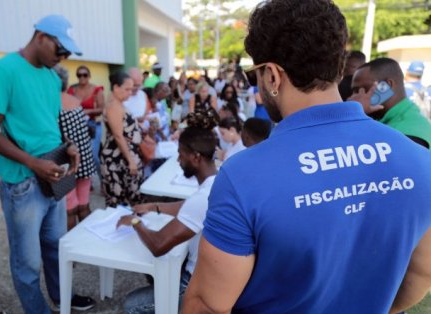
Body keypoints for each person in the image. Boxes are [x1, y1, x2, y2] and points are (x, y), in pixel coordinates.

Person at [183, 1, 431, 313]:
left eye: (254, 76)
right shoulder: (420, 160)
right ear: (337, 67)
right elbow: (421, 274)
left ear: (272, 76)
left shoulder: (244, 176)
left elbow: (206, 305)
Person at [0, 14, 95, 313]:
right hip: (22, 182)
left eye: (68, 52)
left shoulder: (51, 77)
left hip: (53, 174)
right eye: (60, 49)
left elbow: (47, 125)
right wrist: (33, 162)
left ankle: (61, 297)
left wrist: (68, 147)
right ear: (41, 36)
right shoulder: (3, 70)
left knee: (56, 247)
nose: (64, 57)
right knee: (27, 261)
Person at [118, 108, 218, 314]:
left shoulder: (202, 198)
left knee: (130, 306)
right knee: (155, 269)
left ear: (196, 157)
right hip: (211, 276)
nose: (178, 161)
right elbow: (188, 207)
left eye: (181, 155)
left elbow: (158, 245)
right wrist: (153, 207)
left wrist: (136, 223)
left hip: (195, 284)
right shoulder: (216, 181)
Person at [351, 58, 431, 148]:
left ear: (386, 86)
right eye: (354, 91)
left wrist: (353, 115)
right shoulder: (383, 117)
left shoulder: (411, 130)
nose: (354, 97)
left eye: (362, 89)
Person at [55, 65, 95, 230]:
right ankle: (88, 242)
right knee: (84, 205)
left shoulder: (52, 104)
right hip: (84, 158)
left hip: (66, 161)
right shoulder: (76, 102)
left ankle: (71, 245)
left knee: (70, 209)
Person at [100, 71, 143, 207]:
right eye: (127, 89)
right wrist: (131, 161)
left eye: (132, 89)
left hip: (123, 157)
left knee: (128, 199)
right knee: (119, 201)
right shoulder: (114, 106)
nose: (130, 92)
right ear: (116, 87)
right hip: (118, 159)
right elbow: (118, 136)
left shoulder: (118, 103)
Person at [67, 65, 105, 181]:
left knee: (93, 155)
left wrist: (88, 111)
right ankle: (87, 181)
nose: (82, 77)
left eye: (85, 75)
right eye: (79, 75)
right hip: (77, 126)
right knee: (80, 155)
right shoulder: (72, 90)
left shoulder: (96, 90)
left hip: (93, 125)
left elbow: (102, 109)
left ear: (89, 76)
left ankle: (103, 181)